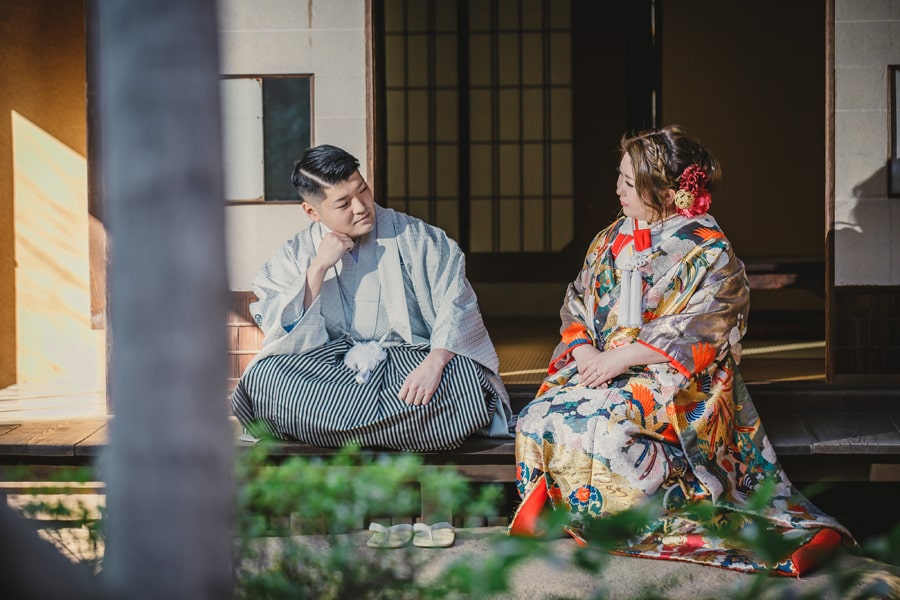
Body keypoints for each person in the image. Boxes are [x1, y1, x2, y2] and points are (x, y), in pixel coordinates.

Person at [508, 125, 855, 576]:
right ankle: (557, 509)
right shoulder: (610, 237)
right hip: (600, 365)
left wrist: (622, 357)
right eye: (620, 177)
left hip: (674, 379)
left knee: (607, 428)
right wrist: (584, 353)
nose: (617, 189)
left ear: (667, 192)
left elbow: (708, 325)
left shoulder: (708, 248)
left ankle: (637, 525)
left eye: (628, 182)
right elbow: (576, 300)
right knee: (538, 415)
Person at [232, 144, 512, 451]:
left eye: (362, 190)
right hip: (332, 374)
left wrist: (434, 364)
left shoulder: (417, 237)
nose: (361, 207)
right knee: (264, 377)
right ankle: (403, 431)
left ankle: (331, 429)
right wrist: (318, 268)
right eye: (343, 203)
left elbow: (457, 302)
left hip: (408, 369)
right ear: (312, 211)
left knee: (466, 380)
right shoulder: (296, 254)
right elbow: (284, 335)